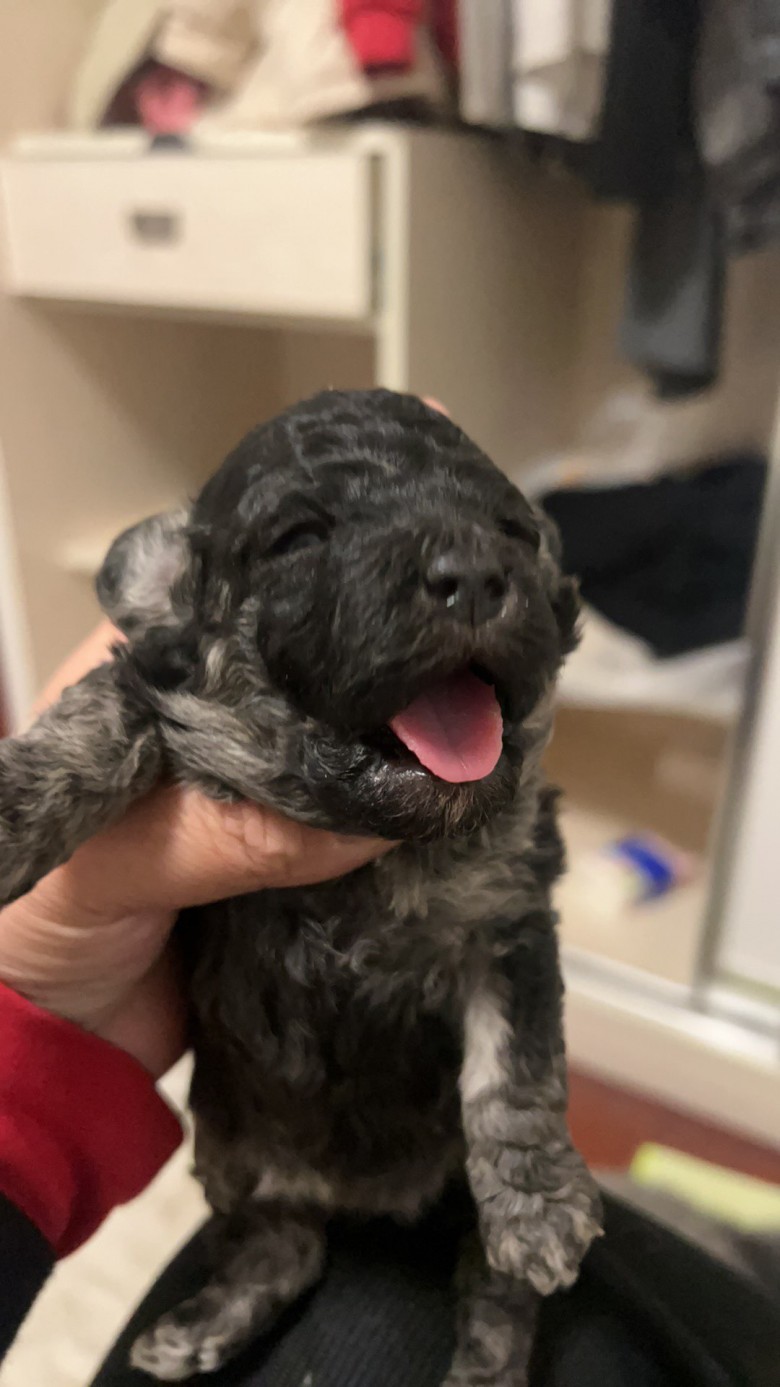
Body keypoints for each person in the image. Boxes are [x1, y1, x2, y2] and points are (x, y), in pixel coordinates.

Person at [0, 630, 779, 1387]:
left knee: (507, 1234)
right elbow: (140, 686)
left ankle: (498, 1323)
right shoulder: (197, 663)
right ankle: (274, 1256)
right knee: (274, 1218)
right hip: (260, 1124)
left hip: (438, 1131)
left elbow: (512, 968)